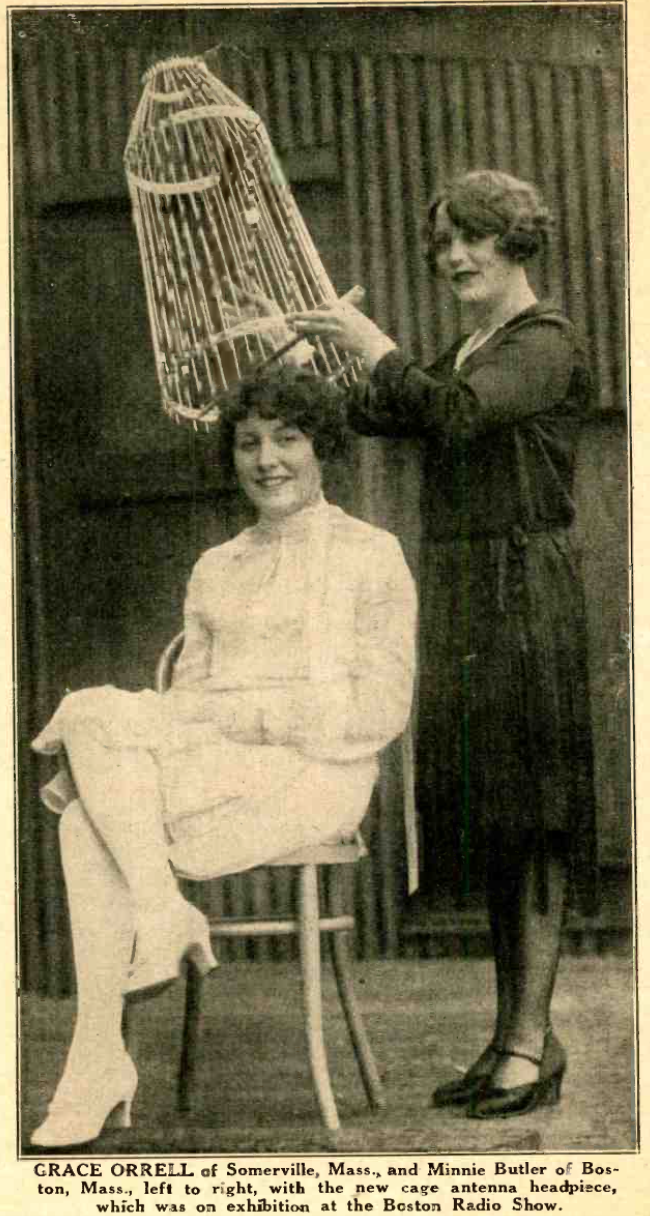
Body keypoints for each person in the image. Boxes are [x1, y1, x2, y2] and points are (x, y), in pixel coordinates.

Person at [30, 366, 417, 1148]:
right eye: (249, 443)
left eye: (287, 438)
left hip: (320, 774)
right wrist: (206, 721)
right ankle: (160, 922)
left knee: (89, 817)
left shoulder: (370, 554)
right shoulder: (217, 566)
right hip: (216, 767)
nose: (267, 459)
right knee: (94, 721)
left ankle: (102, 1056)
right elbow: (185, 707)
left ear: (321, 447)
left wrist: (246, 715)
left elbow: (381, 710)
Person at [289, 169, 598, 1120]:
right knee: (502, 823)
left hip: (525, 591)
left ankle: (527, 1043)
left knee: (534, 821)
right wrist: (307, 359)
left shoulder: (545, 343)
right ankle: (519, 1038)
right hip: (469, 591)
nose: (453, 257)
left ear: (517, 243)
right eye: (442, 243)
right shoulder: (471, 349)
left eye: (473, 238)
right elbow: (385, 409)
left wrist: (372, 346)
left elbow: (453, 412)